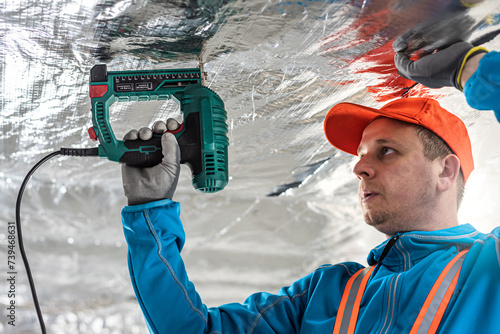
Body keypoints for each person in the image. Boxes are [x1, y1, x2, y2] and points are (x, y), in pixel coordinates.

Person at [120, 41, 500, 333]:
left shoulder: (489, 268)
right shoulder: (329, 291)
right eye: (362, 154)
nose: (360, 167)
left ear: (446, 172)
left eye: (386, 152)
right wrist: (150, 211)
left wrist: (474, 71)